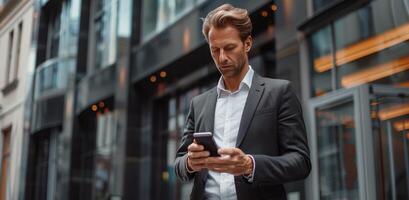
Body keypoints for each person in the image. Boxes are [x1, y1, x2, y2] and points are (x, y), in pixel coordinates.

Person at [174, 4, 311, 200]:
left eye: (229, 48)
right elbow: (179, 164)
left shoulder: (279, 92)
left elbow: (300, 162)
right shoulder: (199, 103)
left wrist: (249, 165)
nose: (222, 58)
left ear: (247, 44)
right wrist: (190, 162)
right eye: (215, 50)